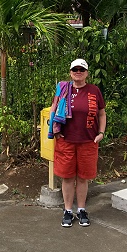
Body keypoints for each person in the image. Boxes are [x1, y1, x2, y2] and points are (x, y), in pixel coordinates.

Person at [48, 59, 106, 227]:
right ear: (70, 72)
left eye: (82, 69)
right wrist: (54, 130)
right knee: (67, 177)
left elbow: (102, 114)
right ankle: (67, 211)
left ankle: (81, 209)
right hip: (66, 141)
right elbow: (53, 109)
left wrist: (101, 133)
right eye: (75, 69)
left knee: (83, 178)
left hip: (88, 141)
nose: (78, 71)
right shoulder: (63, 89)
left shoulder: (94, 91)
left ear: (87, 73)